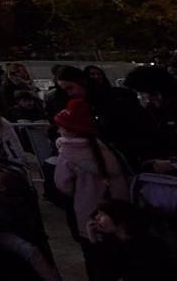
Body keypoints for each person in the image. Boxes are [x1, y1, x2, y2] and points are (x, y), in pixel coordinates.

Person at [52, 97, 130, 277]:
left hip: (90, 211)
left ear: (69, 130)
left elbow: (63, 184)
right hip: (117, 207)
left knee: (94, 255)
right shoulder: (103, 147)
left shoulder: (69, 153)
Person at [87, 199, 175, 281]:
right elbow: (103, 273)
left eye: (102, 214)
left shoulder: (147, 246)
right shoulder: (112, 242)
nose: (97, 218)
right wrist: (93, 239)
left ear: (120, 220)